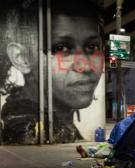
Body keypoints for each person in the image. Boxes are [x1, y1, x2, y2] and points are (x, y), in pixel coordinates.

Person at [0, 0, 103, 144]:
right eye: (61, 48)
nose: (85, 66)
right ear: (21, 58)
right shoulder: (22, 129)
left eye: (92, 46)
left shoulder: (57, 124)